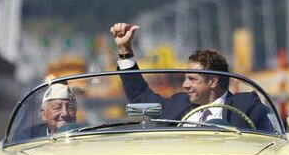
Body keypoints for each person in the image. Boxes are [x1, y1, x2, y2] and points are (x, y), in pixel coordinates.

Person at [110, 22, 274, 131]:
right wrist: (125, 51)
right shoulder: (177, 103)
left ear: (213, 81)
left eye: (192, 79)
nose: (185, 85)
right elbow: (140, 95)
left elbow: (272, 137)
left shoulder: (245, 105)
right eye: (185, 78)